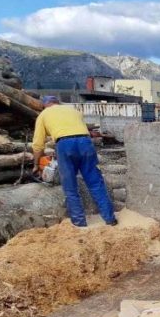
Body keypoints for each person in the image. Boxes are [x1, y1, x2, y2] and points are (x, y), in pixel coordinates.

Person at [32, 96, 117, 227]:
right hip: (85, 143)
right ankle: (110, 219)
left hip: (64, 145)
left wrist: (36, 164)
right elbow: (74, 130)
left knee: (70, 187)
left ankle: (79, 223)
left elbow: (38, 145)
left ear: (45, 105)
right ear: (57, 103)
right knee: (95, 183)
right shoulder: (73, 111)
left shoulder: (43, 115)